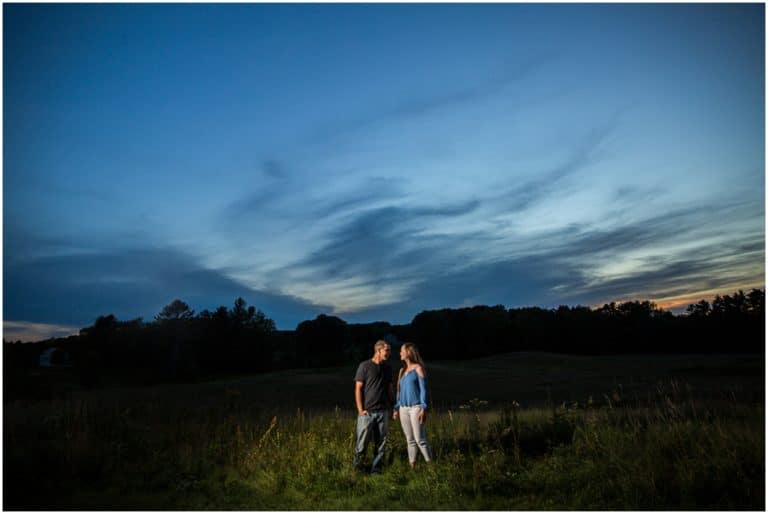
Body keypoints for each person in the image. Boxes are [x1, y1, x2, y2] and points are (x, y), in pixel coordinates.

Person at [353, 340, 394, 473]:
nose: (389, 353)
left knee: (381, 444)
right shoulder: (365, 366)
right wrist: (360, 410)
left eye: (389, 350)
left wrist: (394, 407)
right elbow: (358, 388)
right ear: (378, 350)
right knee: (362, 444)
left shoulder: (387, 368)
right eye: (387, 350)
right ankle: (358, 470)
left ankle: (376, 470)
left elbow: (389, 389)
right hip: (367, 413)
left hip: (383, 412)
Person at [393, 342, 433, 468]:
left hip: (416, 408)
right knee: (409, 439)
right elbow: (399, 392)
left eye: (401, 351)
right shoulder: (402, 371)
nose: (400, 353)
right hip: (403, 409)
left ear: (408, 352)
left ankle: (432, 466)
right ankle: (413, 467)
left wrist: (423, 407)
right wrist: (396, 408)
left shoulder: (418, 368)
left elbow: (423, 390)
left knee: (419, 439)